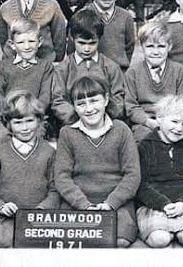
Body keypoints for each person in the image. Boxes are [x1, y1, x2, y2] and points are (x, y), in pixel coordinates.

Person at [54, 76, 140, 248]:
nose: (89, 109)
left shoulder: (122, 130)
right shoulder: (67, 133)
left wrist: (110, 203)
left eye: (94, 101)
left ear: (106, 99)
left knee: (118, 240)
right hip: (77, 204)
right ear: (74, 107)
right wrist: (84, 206)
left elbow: (133, 175)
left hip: (116, 203)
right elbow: (62, 177)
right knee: (75, 242)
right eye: (81, 104)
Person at [136, 95, 183, 248]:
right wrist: (162, 204)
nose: (179, 128)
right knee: (160, 239)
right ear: (160, 118)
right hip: (155, 205)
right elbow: (141, 184)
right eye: (174, 121)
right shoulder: (146, 146)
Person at [0, 91, 60, 247]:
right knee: (7, 241)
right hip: (7, 218)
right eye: (18, 122)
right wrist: (1, 207)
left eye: (30, 121)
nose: (25, 127)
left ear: (39, 120)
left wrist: (42, 209)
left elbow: (55, 190)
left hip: (39, 219)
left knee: (39, 245)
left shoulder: (49, 152)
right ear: (8, 123)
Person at [51, 9, 126, 134]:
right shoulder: (63, 69)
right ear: (73, 38)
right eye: (81, 43)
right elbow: (57, 100)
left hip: (106, 125)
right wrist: (79, 117)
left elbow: (118, 98)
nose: (87, 48)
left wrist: (100, 118)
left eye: (92, 43)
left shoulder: (111, 67)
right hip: (73, 126)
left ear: (99, 39)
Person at [125, 21, 183, 143]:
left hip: (174, 123)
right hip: (144, 123)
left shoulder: (178, 70)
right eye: (150, 46)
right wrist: (149, 122)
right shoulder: (133, 72)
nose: (155, 52)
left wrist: (169, 124)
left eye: (161, 46)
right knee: (144, 140)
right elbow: (131, 106)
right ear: (141, 46)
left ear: (169, 46)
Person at [0, 18, 54, 141]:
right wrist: (8, 113)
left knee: (36, 140)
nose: (27, 46)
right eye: (20, 43)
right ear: (12, 44)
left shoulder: (45, 67)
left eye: (31, 41)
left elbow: (45, 96)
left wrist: (33, 113)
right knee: (0, 140)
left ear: (39, 42)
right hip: (8, 117)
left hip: (34, 118)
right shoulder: (3, 66)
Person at [80, 0, 135, 74]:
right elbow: (74, 48)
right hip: (90, 75)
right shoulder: (82, 15)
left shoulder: (126, 17)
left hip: (119, 74)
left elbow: (129, 46)